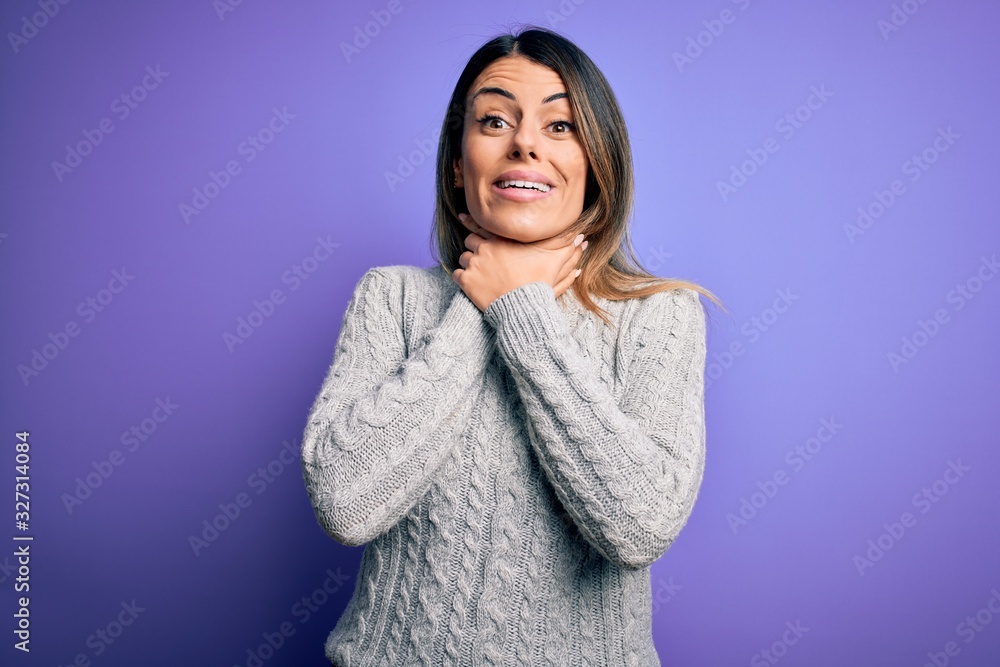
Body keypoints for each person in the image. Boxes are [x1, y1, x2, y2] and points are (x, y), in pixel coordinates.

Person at [301, 25, 722, 666]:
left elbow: (639, 526)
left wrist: (520, 313)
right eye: (495, 120)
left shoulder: (660, 315)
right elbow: (346, 501)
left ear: (598, 164)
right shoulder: (391, 298)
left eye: (560, 127)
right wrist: (479, 306)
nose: (525, 142)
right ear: (457, 161)